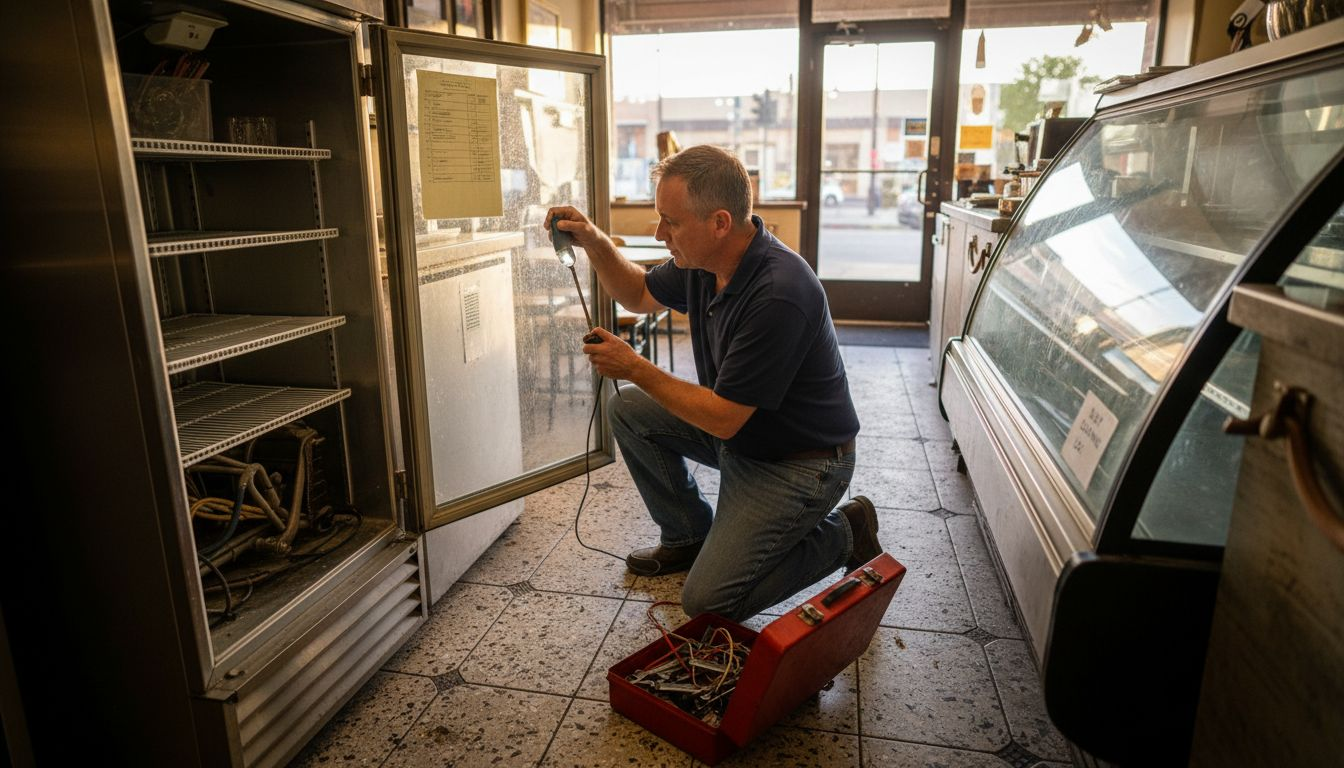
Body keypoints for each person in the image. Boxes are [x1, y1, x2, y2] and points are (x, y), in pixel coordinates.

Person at [546, 145, 881, 622]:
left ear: (719, 222)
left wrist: (635, 365)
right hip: (746, 437)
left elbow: (723, 419)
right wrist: (594, 240)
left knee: (707, 603)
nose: (660, 233)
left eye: (671, 222)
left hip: (799, 463)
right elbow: (638, 294)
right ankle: (687, 536)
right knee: (630, 410)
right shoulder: (702, 264)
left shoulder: (779, 293)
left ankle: (846, 530)